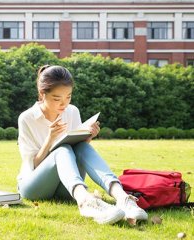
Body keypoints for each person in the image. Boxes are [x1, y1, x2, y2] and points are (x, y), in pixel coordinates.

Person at [17, 65, 148, 225]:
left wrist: (88, 136)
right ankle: (85, 201)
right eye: (57, 99)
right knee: (62, 150)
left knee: (82, 146)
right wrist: (50, 139)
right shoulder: (27, 118)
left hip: (67, 187)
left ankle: (122, 197)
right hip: (34, 186)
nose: (63, 104)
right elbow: (34, 164)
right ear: (42, 94)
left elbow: (78, 150)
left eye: (68, 97)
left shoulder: (72, 111)